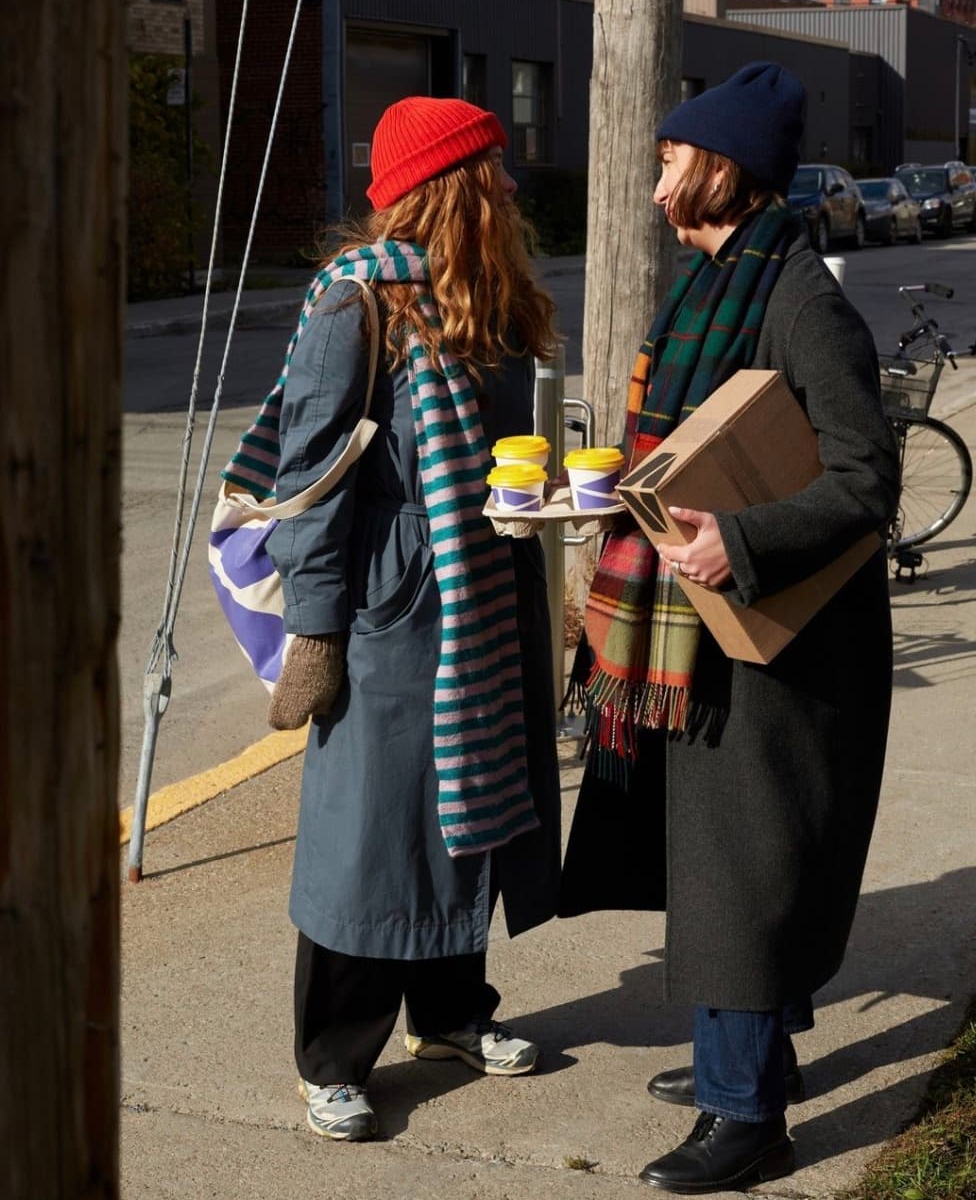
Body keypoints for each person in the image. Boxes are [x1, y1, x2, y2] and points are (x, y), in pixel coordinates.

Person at [558, 63, 898, 1193]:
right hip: (710, 630)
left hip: (780, 640)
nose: (653, 187)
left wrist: (738, 546)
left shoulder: (798, 298)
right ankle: (753, 1061)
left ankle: (744, 1115)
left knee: (743, 875)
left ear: (720, 169)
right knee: (726, 867)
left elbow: (865, 479)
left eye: (666, 163)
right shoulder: (712, 282)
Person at [241, 97, 561, 1141]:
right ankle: (331, 1054)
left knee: (464, 806)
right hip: (392, 598)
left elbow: (516, 448)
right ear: (450, 186)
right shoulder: (357, 304)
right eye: (492, 172)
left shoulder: (493, 296)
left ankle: (453, 1013)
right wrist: (319, 629)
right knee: (369, 830)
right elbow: (310, 477)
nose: (509, 188)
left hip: (483, 583)